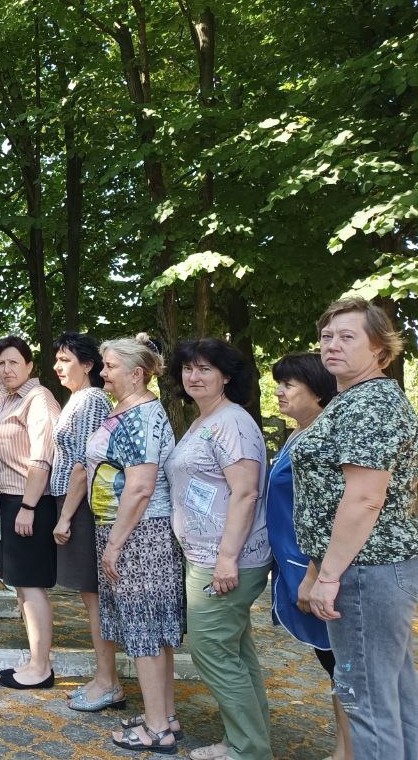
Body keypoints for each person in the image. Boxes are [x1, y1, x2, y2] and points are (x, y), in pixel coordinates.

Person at [293, 297, 418, 759]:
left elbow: (365, 498)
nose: (332, 345)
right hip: (364, 569)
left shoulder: (372, 404)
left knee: (366, 701)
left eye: (348, 337)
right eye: (327, 336)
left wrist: (328, 577)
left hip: (365, 571)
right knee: (393, 694)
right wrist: (317, 568)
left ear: (380, 351)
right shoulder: (353, 401)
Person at [165, 339, 273, 760]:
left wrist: (227, 558)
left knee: (211, 653)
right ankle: (251, 741)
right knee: (236, 653)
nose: (194, 376)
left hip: (226, 560)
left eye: (205, 369)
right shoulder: (205, 419)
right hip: (206, 555)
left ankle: (247, 749)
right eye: (188, 369)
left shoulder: (231, 422)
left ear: (226, 375)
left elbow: (245, 493)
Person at [87, 334, 183, 755]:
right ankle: (164, 715)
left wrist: (114, 545)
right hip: (130, 531)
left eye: (109, 366)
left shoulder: (141, 416)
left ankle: (158, 728)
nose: (102, 372)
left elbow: (141, 487)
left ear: (137, 374)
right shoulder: (128, 411)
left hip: (138, 535)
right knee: (150, 631)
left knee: (145, 629)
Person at [267, 352, 350, 760]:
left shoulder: (325, 440)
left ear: (318, 391)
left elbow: (333, 513)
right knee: (333, 664)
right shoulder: (300, 434)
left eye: (289, 385)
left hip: (317, 571)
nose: (279, 391)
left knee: (342, 665)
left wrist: (315, 573)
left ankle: (346, 751)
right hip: (295, 565)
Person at [0, 335, 61, 688]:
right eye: (0, 363)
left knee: (31, 586)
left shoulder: (38, 399)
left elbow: (43, 456)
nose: (6, 369)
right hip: (5, 500)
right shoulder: (2, 397)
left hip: (28, 501)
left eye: (13, 361)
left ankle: (41, 667)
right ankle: (34, 658)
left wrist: (29, 506)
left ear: (29, 365)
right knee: (19, 584)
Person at [49, 332, 122, 712]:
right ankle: (103, 676)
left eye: (66, 359)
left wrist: (65, 517)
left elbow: (83, 463)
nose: (58, 367)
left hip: (80, 507)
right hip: (71, 503)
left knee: (95, 598)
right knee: (89, 596)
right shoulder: (77, 399)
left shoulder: (92, 399)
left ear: (88, 365)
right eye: (57, 359)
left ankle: (109, 681)